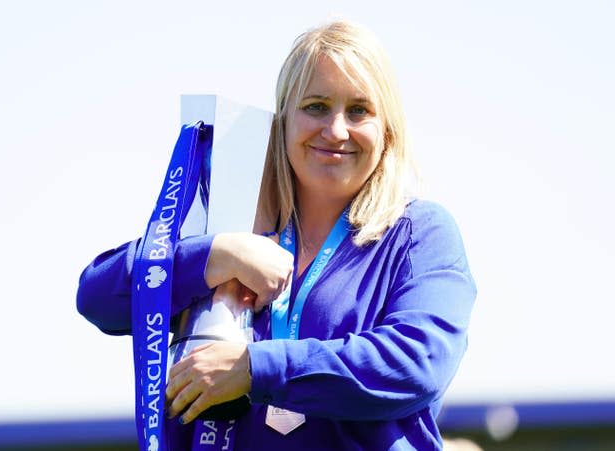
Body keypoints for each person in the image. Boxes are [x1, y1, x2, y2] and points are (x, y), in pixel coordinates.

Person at [77, 20, 476, 450]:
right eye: (316, 106)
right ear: (283, 120)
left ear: (387, 130)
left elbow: (416, 365)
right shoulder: (236, 222)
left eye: (359, 110)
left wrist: (255, 369)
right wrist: (216, 257)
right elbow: (98, 297)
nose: (336, 130)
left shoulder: (419, 234)